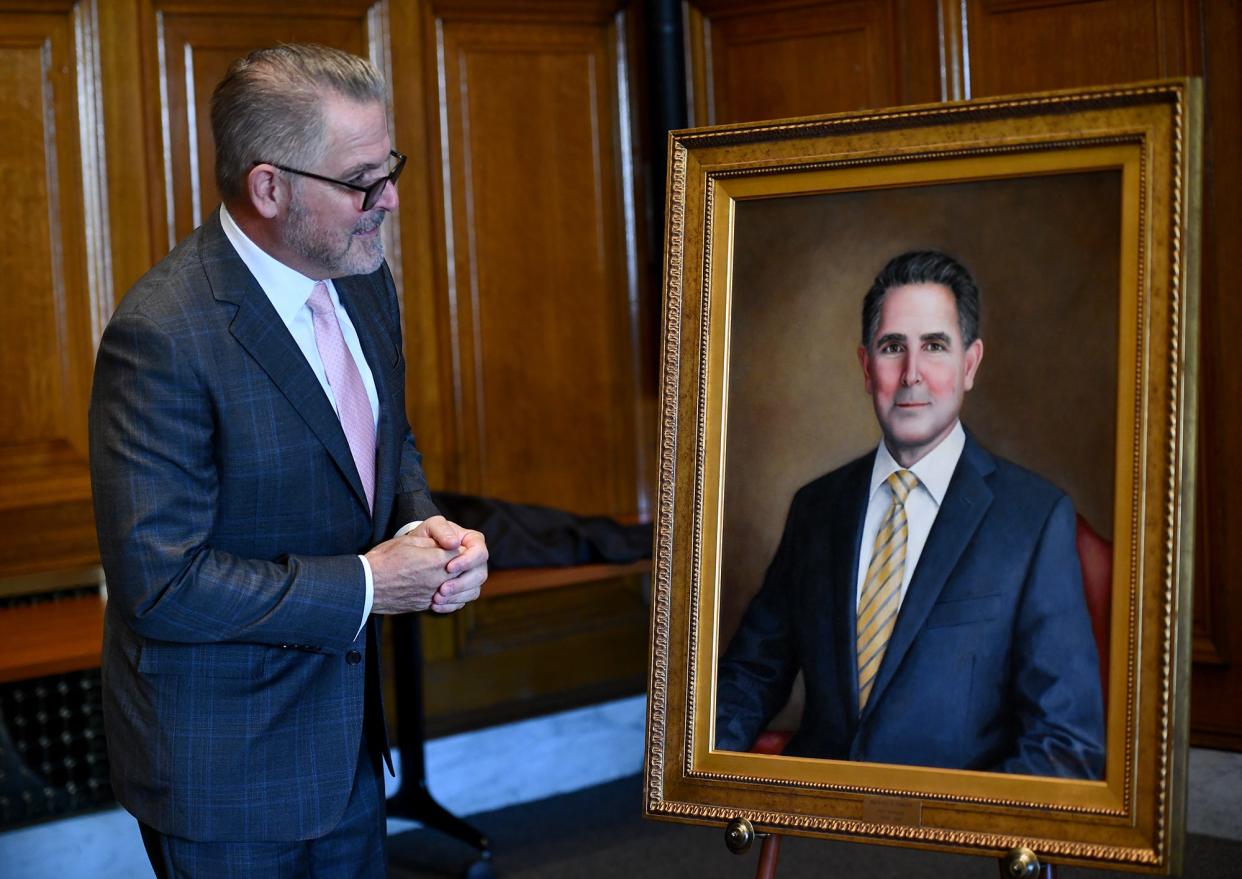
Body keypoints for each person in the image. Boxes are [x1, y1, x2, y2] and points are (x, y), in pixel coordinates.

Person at [88, 44, 488, 876]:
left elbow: (383, 440)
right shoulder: (163, 332)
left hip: (344, 746)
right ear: (269, 187)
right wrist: (375, 585)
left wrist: (428, 529)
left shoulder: (364, 276)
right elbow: (160, 583)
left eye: (392, 167)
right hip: (225, 772)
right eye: (362, 181)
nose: (392, 200)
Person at [714, 250, 1105, 779]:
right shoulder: (816, 508)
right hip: (822, 830)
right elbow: (753, 674)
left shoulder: (1034, 519)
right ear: (865, 366)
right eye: (892, 347)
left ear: (970, 365)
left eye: (936, 347)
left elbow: (1065, 739)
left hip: (951, 847)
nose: (911, 374)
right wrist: (692, 768)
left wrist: (963, 833)